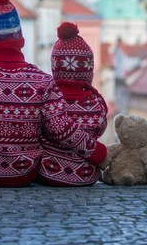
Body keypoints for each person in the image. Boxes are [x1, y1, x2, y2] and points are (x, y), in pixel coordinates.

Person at [0, 0, 109, 187]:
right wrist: (98, 154)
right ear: (19, 40)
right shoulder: (42, 80)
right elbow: (59, 127)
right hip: (23, 173)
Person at [38, 22, 109, 186]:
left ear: (55, 66)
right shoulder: (95, 101)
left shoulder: (47, 96)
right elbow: (100, 129)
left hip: (49, 173)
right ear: (88, 70)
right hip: (85, 176)